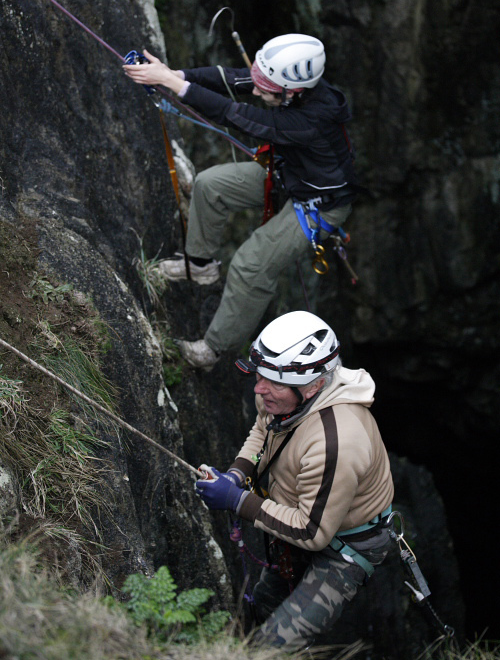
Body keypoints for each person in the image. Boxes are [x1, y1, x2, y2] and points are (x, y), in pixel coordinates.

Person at [123, 34, 358, 369]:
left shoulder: (312, 119)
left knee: (251, 265)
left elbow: (237, 115)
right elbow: (231, 79)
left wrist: (172, 83)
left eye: (266, 89)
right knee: (210, 184)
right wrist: (177, 74)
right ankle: (200, 266)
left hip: (319, 203)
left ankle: (214, 349)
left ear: (294, 91)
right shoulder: (290, 87)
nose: (259, 91)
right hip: (289, 176)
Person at [195, 310, 394, 650]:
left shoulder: (337, 441)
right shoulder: (282, 395)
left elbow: (310, 531)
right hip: (299, 515)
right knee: (262, 605)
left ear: (315, 383)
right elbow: (264, 431)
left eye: (272, 383)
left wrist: (237, 500)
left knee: (272, 648)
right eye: (259, 377)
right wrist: (237, 474)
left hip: (346, 547)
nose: (259, 389)